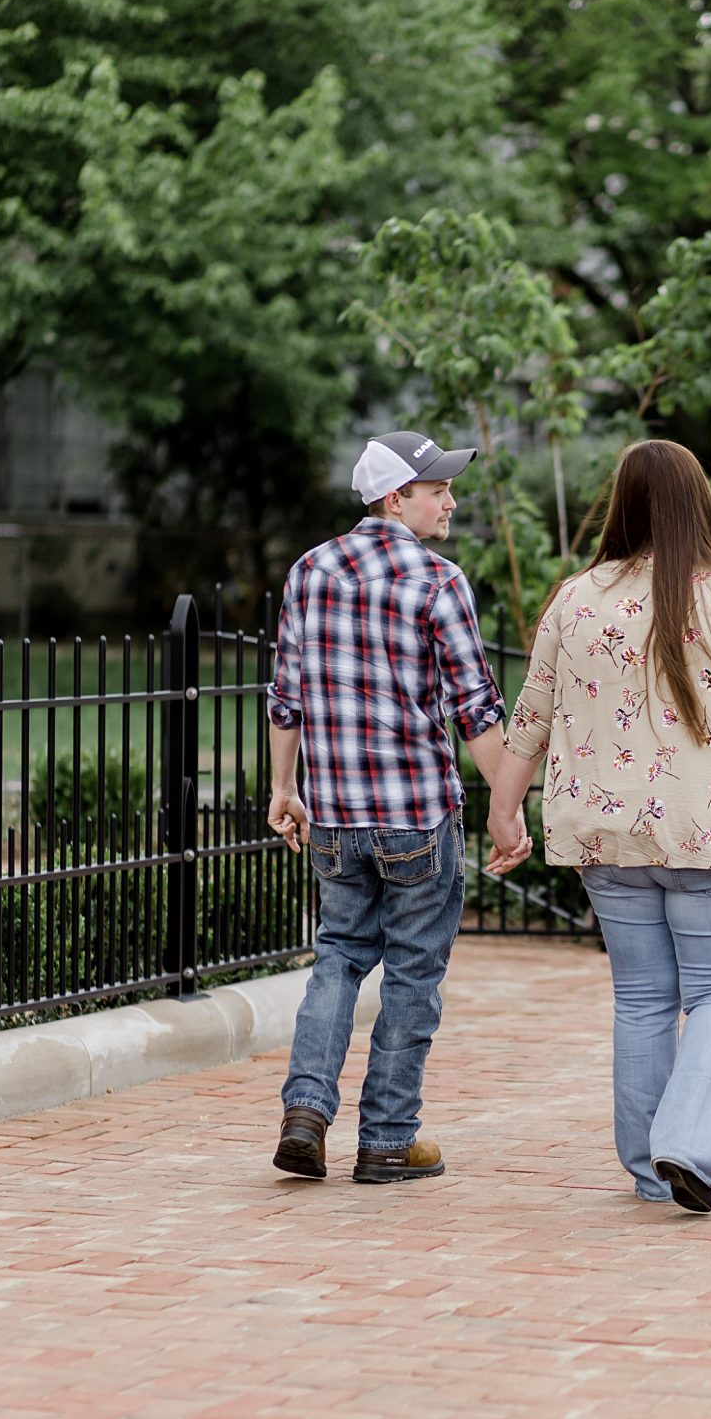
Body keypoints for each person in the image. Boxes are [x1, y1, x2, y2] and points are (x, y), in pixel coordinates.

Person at [487, 439, 711, 1214]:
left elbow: (527, 717)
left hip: (608, 835)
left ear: (621, 503)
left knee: (640, 1002)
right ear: (700, 502)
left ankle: (646, 1172)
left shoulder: (575, 598)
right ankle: (686, 1145)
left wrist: (503, 810)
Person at [266, 429, 530, 1186]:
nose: (449, 500)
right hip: (415, 813)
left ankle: (305, 1114)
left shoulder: (308, 571)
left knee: (338, 958)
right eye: (435, 488)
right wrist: (504, 809)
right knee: (412, 973)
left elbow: (286, 697)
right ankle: (386, 1140)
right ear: (394, 497)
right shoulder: (437, 580)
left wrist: (285, 790)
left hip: (337, 816)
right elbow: (475, 710)